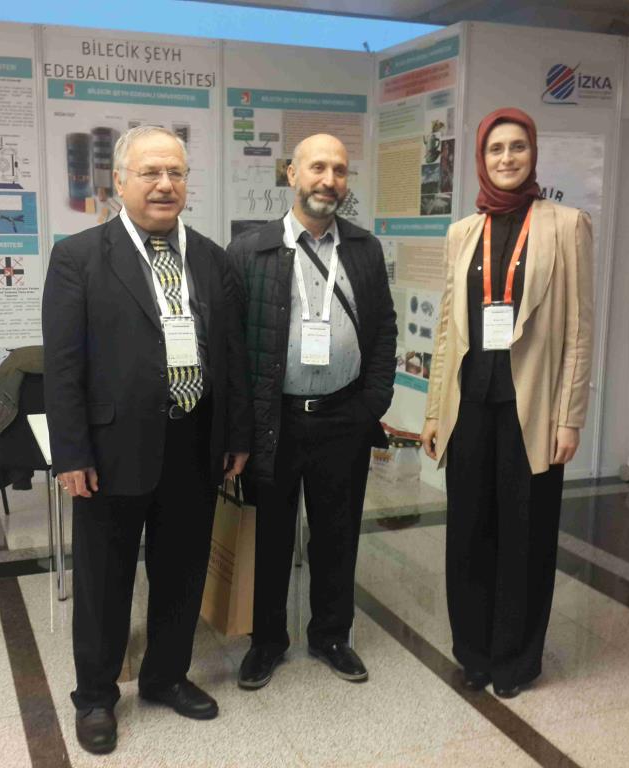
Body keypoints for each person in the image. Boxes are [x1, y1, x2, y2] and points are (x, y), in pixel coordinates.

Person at [42, 126, 250, 755]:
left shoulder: (212, 258)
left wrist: (235, 433)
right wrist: (71, 452)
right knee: (104, 581)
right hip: (110, 452)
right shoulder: (79, 257)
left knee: (181, 571)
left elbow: (232, 355)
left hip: (194, 443)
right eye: (151, 173)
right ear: (119, 182)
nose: (165, 185)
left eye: (176, 173)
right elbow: (63, 366)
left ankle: (165, 677)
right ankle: (95, 696)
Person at [420, 108, 593, 699]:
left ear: (533, 153)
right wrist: (434, 413)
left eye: (517, 147)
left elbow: (579, 331)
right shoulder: (462, 232)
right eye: (496, 149)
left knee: (526, 535)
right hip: (470, 404)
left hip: (532, 408)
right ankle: (473, 653)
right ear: (481, 157)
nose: (507, 158)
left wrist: (570, 417)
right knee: (468, 532)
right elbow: (448, 328)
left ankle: (515, 661)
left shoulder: (566, 226)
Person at [227, 133, 396, 690]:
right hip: (274, 420)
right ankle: (267, 641)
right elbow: (232, 347)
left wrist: (372, 403)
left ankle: (330, 636)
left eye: (340, 170)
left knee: (337, 535)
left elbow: (384, 329)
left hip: (344, 416)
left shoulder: (365, 249)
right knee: (270, 537)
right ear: (292, 174)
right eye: (318, 167)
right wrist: (240, 430)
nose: (329, 180)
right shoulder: (250, 251)